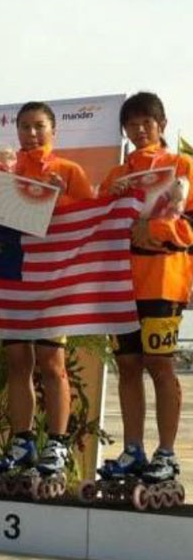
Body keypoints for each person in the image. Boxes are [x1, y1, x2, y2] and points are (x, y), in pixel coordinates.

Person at [0, 101, 96, 477]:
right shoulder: (7, 169)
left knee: (53, 364)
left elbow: (91, 223)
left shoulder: (69, 170)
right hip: (16, 276)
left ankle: (57, 444)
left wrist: (62, 197)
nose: (32, 134)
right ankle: (22, 442)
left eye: (39, 126)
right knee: (18, 361)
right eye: (25, 127)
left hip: (55, 278)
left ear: (54, 130)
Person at [97, 92, 193, 482]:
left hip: (164, 280)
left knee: (160, 364)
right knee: (127, 365)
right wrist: (110, 206)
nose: (139, 130)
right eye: (132, 124)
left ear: (162, 125)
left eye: (146, 123)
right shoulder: (116, 176)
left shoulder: (182, 166)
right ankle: (132, 449)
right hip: (121, 283)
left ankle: (167, 453)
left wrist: (153, 228)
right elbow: (95, 227)